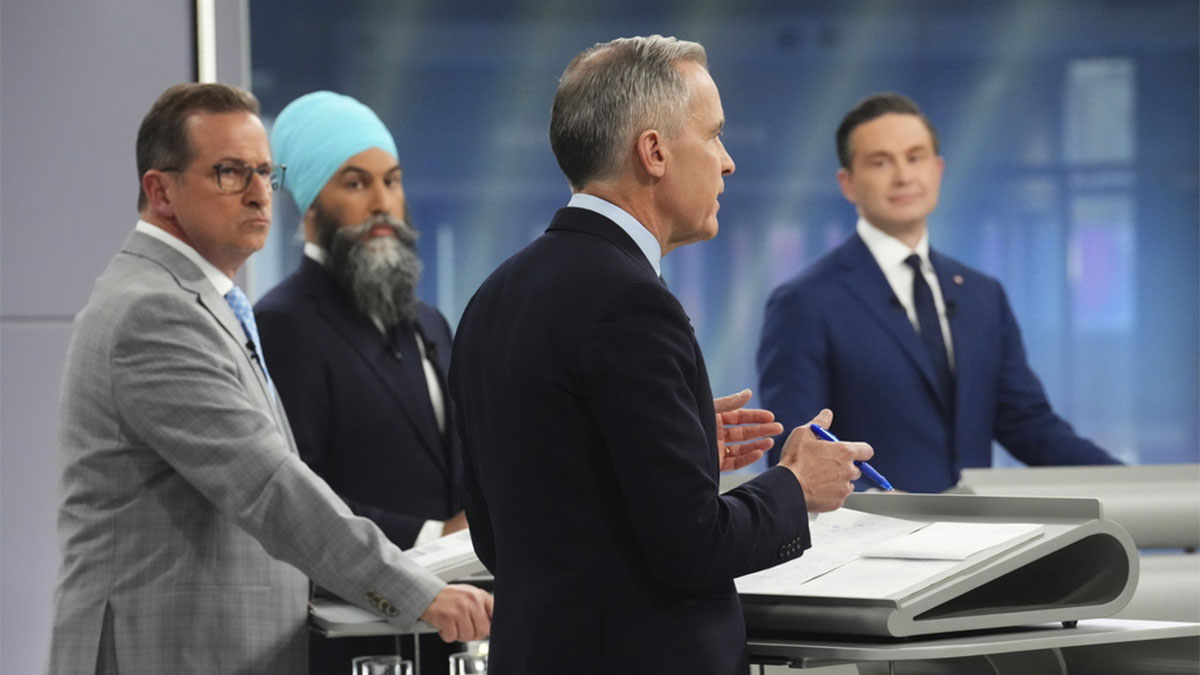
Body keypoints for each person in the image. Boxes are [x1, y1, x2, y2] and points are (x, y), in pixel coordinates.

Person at [448, 36, 872, 675]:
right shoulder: (630, 302)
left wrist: (691, 449)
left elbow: (505, 536)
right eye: (714, 136)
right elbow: (692, 548)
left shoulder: (494, 295)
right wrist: (796, 486)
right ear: (654, 152)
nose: (728, 163)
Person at [47, 82, 491, 675]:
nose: (259, 195)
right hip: (165, 651)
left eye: (264, 173)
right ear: (161, 191)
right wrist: (417, 589)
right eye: (230, 173)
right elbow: (268, 486)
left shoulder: (202, 300)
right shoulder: (153, 312)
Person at [757, 92, 1121, 494]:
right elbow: (797, 456)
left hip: (977, 543)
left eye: (915, 158)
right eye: (880, 162)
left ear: (937, 170)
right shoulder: (805, 302)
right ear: (848, 183)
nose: (903, 177)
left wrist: (1133, 483)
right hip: (869, 542)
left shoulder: (983, 295)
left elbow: (1027, 425)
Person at [255, 90, 467, 673]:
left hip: (450, 632)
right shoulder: (284, 323)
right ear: (309, 205)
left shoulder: (428, 323)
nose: (383, 204)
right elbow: (295, 496)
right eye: (355, 184)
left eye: (392, 181)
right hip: (351, 641)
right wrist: (435, 534)